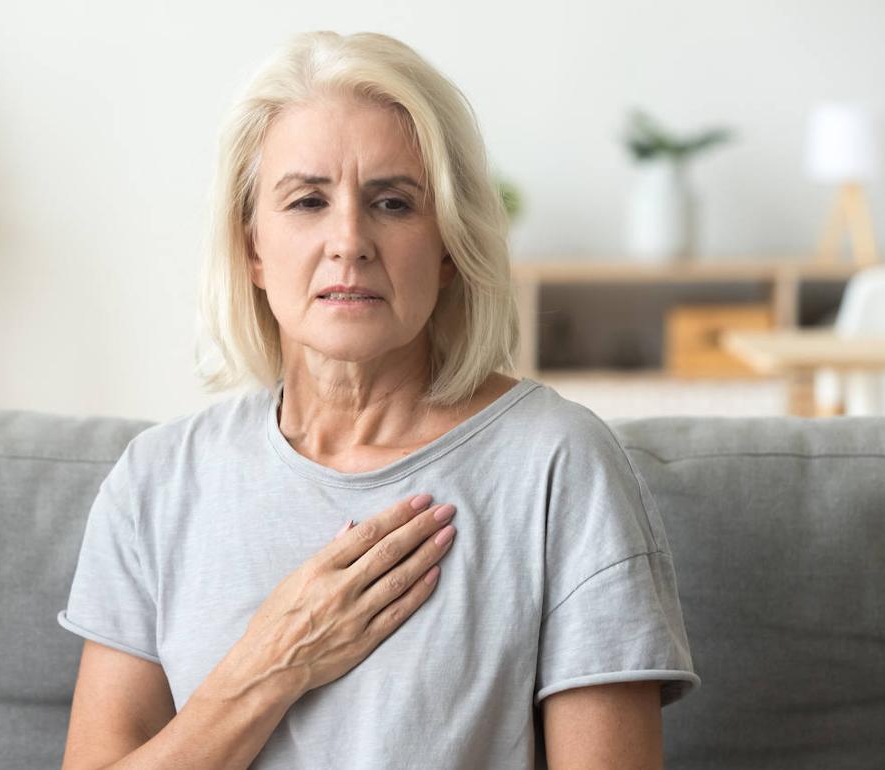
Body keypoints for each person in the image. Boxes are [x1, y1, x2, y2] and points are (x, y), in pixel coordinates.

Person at [56, 30, 699, 770]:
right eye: (306, 201)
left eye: (393, 203)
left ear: (451, 245)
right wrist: (268, 667)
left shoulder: (559, 465)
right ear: (253, 250)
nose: (350, 240)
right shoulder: (156, 482)